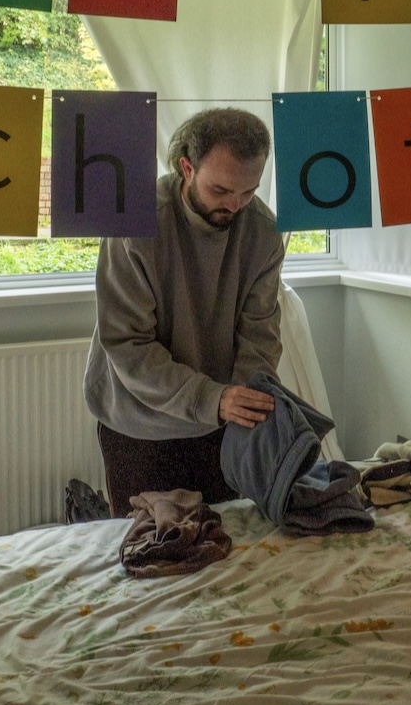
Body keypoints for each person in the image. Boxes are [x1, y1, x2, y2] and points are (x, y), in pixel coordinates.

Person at [83, 106, 282, 515]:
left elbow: (260, 335)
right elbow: (129, 345)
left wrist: (244, 402)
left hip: (220, 423)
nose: (236, 205)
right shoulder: (135, 223)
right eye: (221, 190)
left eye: (249, 191)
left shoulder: (263, 231)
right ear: (187, 167)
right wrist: (213, 398)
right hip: (138, 425)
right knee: (149, 554)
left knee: (226, 549)